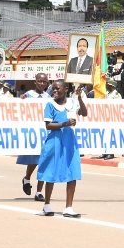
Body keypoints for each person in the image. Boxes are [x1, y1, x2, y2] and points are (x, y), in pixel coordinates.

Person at [37, 79, 88, 218]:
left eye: (57, 89)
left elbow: (84, 113)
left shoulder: (71, 103)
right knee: (51, 172)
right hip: (55, 141)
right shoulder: (50, 105)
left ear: (65, 90)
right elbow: (48, 125)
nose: (54, 91)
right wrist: (65, 123)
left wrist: (79, 98)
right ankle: (47, 205)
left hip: (69, 141)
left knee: (72, 172)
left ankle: (68, 207)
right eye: (53, 88)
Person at [18, 73, 51, 201]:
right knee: (34, 161)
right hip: (33, 133)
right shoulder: (28, 95)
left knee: (44, 162)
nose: (42, 84)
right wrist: (22, 100)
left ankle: (38, 192)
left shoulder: (48, 97)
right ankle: (26, 178)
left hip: (45, 132)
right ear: (35, 82)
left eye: (44, 82)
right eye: (39, 81)